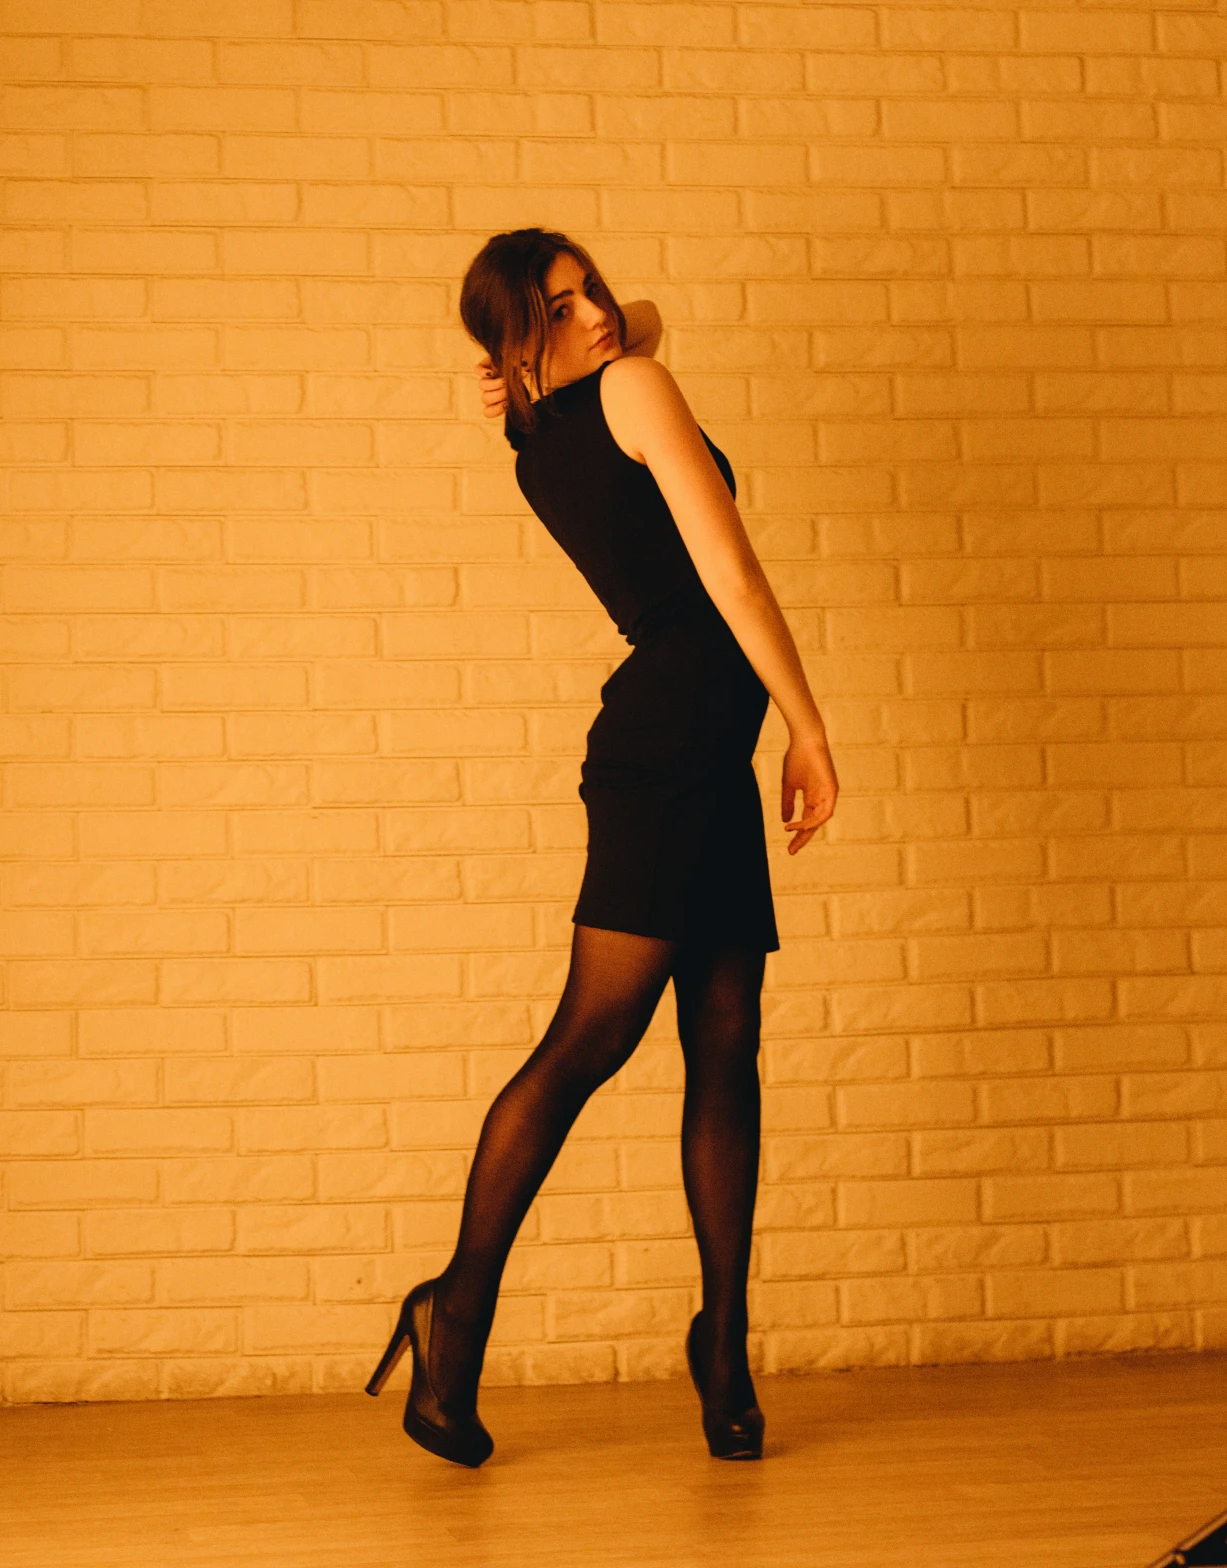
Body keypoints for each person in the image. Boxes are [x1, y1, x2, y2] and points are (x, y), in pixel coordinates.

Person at [364, 228, 839, 1466]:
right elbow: (728, 567)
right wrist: (809, 722)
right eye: (561, 308)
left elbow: (630, 325)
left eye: (593, 288)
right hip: (676, 742)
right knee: (594, 1036)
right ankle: (451, 1315)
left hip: (694, 749)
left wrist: (553, 341)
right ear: (523, 343)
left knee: (727, 1039)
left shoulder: (542, 429)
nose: (599, 315)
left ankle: (723, 1347)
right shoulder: (630, 390)